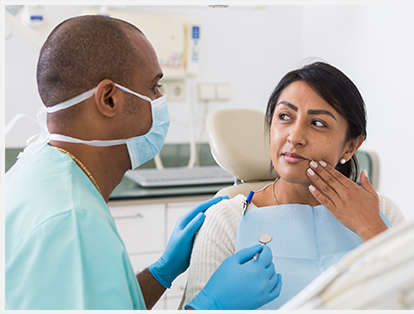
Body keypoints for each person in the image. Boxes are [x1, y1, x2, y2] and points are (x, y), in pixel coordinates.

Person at [5, 15, 281, 310]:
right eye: (154, 87)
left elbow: (103, 301)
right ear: (109, 99)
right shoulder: (73, 222)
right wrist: (207, 306)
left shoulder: (42, 171)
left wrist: (161, 272)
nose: (161, 99)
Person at [179, 62, 406, 309]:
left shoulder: (382, 212)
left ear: (351, 146)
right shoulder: (227, 220)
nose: (295, 137)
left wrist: (372, 229)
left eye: (318, 123)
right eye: (285, 117)